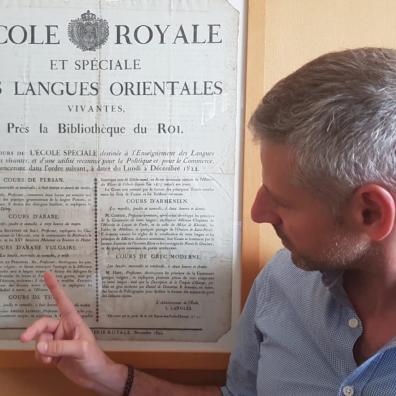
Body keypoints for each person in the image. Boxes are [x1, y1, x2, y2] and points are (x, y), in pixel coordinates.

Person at [21, 47, 396, 395]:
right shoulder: (282, 282)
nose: (257, 213)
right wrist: (107, 374)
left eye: (282, 202)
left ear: (371, 213)